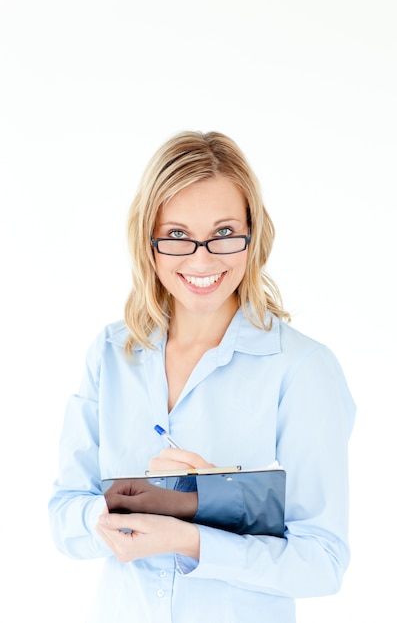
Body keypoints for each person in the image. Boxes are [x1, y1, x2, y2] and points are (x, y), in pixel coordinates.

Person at [49, 131, 355, 623]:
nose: (201, 258)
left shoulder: (302, 370)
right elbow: (64, 516)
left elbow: (323, 561)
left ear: (254, 235)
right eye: (176, 235)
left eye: (224, 232)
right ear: (147, 242)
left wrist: (193, 532)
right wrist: (110, 517)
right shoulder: (110, 353)